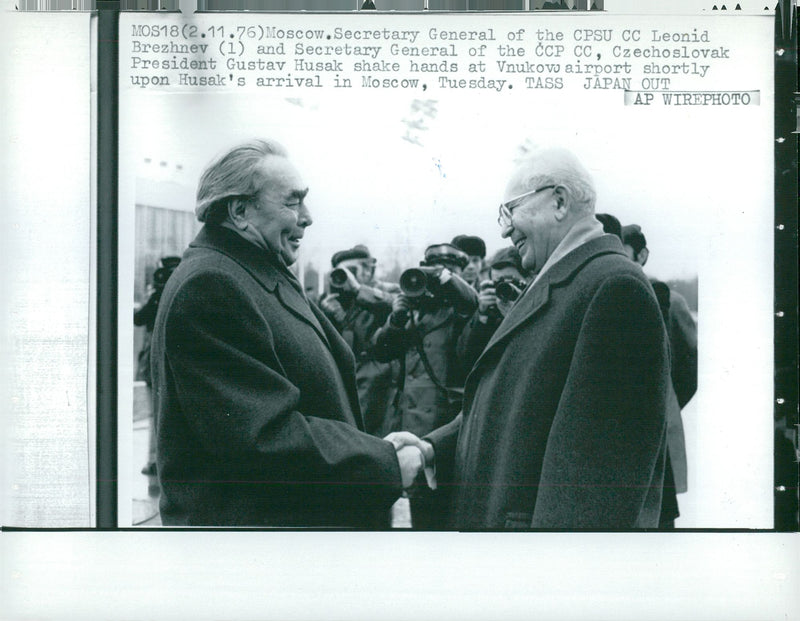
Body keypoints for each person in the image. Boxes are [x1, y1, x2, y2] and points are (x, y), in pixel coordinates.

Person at [388, 146, 670, 529]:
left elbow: (590, 491)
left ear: (558, 201)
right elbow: (513, 404)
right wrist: (431, 448)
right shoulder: (572, 279)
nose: (504, 229)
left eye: (511, 210)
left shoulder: (615, 288)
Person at [149, 139, 423, 527]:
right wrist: (381, 460)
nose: (307, 217)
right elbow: (264, 435)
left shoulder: (253, 271)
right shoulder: (212, 285)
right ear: (240, 211)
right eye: (292, 202)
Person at [374, 242, 478, 528]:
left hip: (446, 427)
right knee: (422, 515)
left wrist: (446, 280)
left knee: (447, 516)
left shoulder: (465, 310)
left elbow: (472, 303)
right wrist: (396, 318)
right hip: (412, 427)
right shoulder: (416, 309)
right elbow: (381, 351)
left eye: (447, 272)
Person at [622, 223, 698, 529]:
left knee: (659, 515)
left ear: (642, 255)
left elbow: (690, 369)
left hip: (655, 430)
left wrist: (664, 403)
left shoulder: (670, 301)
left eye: (622, 251)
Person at [319, 245, 401, 437]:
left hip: (379, 377)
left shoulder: (384, 291)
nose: (346, 278)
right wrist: (328, 315)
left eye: (352, 271)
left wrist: (358, 291)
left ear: (368, 269)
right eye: (341, 273)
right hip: (345, 375)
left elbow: (396, 306)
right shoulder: (332, 298)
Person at [134, 255, 180, 478]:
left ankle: (158, 461)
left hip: (164, 362)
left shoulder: (176, 293)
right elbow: (138, 319)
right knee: (161, 414)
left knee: (160, 414)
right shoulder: (170, 292)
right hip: (161, 363)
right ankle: (157, 461)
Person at [456, 245, 529, 373]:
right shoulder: (490, 314)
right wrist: (482, 315)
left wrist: (516, 316)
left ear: (529, 280)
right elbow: (466, 362)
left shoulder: (539, 309)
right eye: (499, 284)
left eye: (512, 282)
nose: (505, 290)